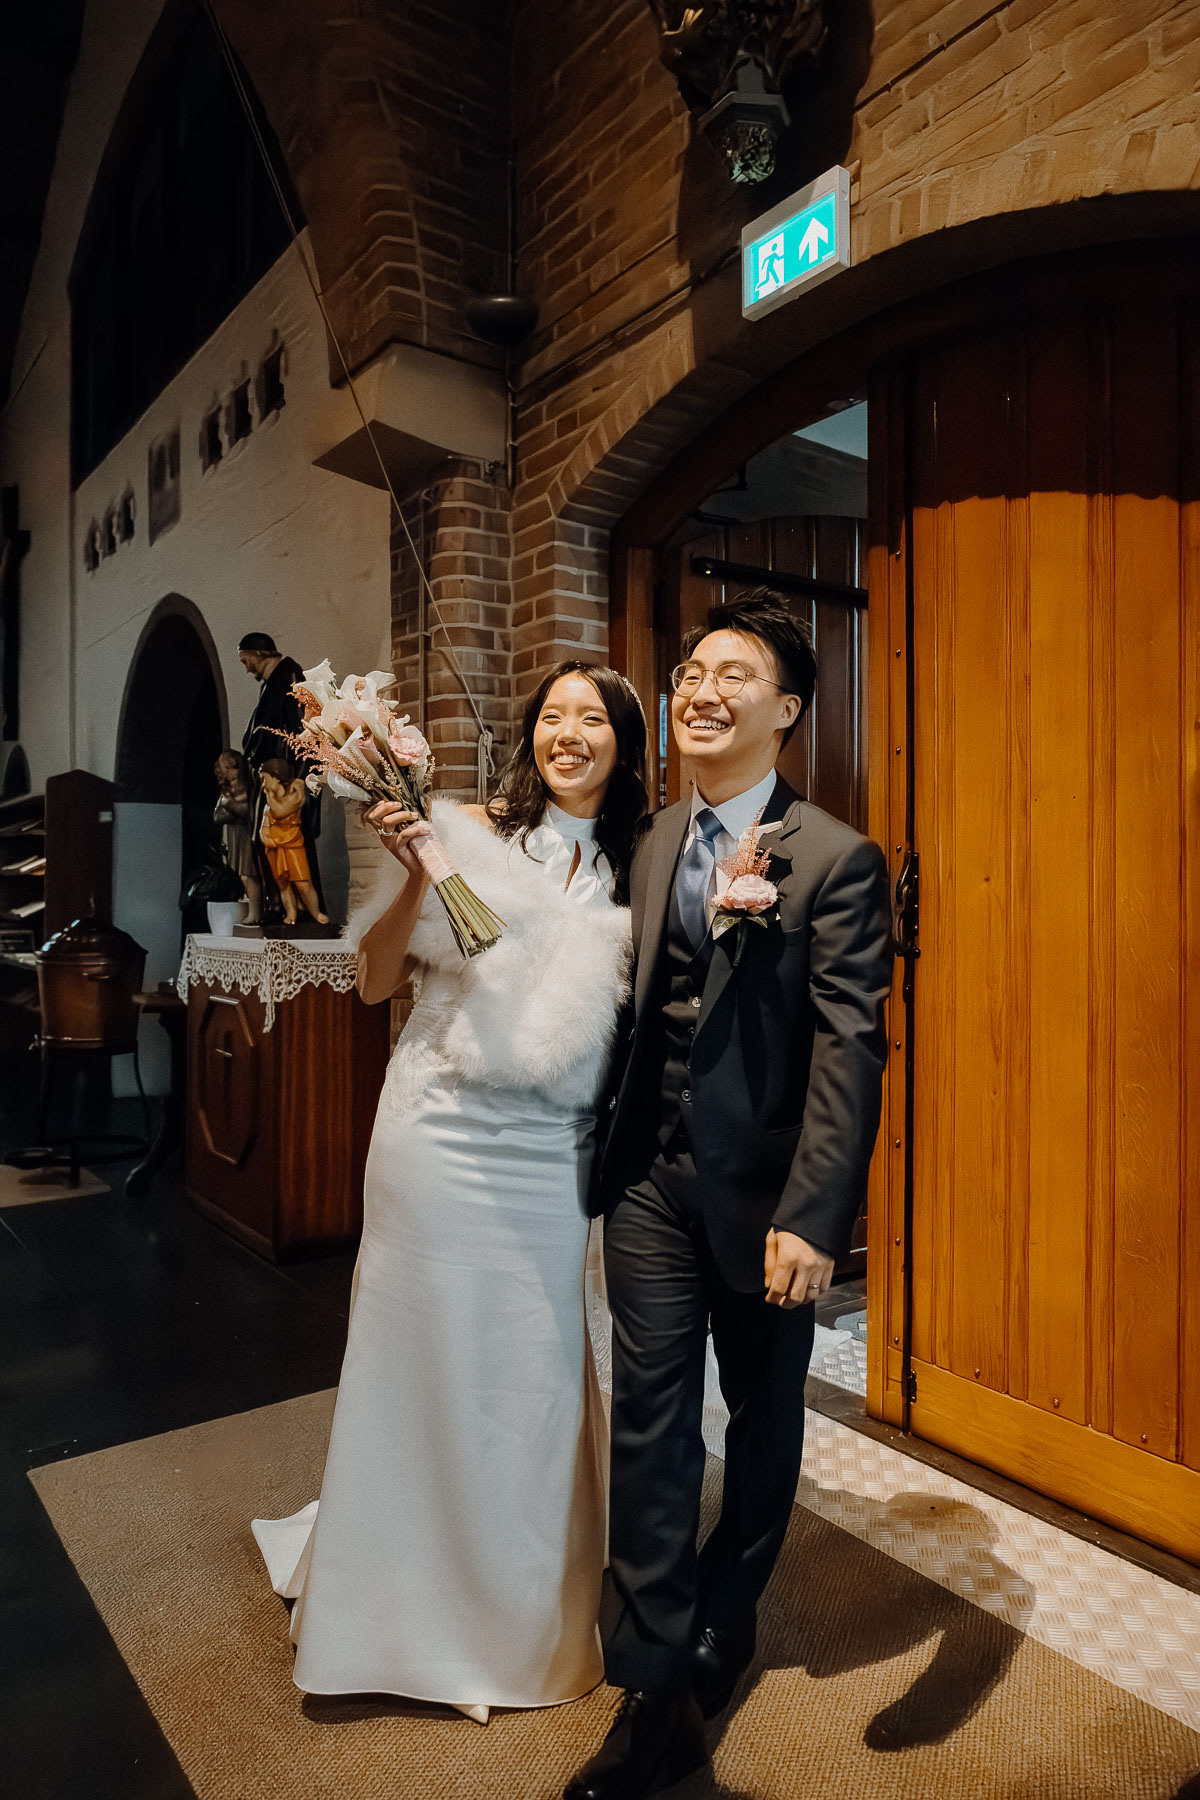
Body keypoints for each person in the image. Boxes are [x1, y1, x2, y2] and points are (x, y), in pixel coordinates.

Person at [253, 661, 648, 1721]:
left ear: (624, 739)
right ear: (531, 732)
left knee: (533, 1369)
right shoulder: (465, 828)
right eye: (553, 715)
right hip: (438, 1133)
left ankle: (514, 1614)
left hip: (551, 1155)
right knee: (418, 1357)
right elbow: (376, 979)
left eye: (594, 717)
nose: (570, 732)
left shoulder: (643, 864)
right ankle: (391, 1607)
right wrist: (421, 874)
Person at [565, 590, 894, 1800]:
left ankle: (733, 1603)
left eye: (734, 672)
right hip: (648, 1184)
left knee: (760, 1417)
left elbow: (848, 1048)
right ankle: (650, 1686)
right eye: (691, 670)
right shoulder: (653, 839)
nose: (701, 688)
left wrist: (817, 1213)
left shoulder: (836, 856)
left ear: (787, 710)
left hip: (763, 1193)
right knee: (652, 1422)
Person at [239, 630, 322, 914]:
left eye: (245, 659)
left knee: (287, 846)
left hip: (285, 779)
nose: (246, 666)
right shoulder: (272, 682)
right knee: (263, 842)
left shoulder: (289, 676)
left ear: (260, 654)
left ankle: (300, 911)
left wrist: (300, 776)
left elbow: (306, 730)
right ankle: (279, 906)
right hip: (271, 778)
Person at [258, 758, 329, 926]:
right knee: (283, 884)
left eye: (264, 779)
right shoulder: (269, 803)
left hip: (292, 843)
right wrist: (267, 839)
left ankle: (315, 912)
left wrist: (269, 795)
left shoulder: (295, 792)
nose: (262, 784)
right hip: (274, 846)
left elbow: (281, 810)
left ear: (276, 777)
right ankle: (291, 913)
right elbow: (264, 827)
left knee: (303, 882)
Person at [213, 749, 261, 923]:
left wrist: (229, 806)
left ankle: (256, 913)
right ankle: (254, 912)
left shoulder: (248, 788)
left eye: (232, 769)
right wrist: (229, 806)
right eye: (226, 770)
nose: (230, 774)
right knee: (243, 876)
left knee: (249, 875)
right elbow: (218, 816)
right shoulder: (228, 791)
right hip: (236, 836)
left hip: (247, 835)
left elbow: (247, 812)